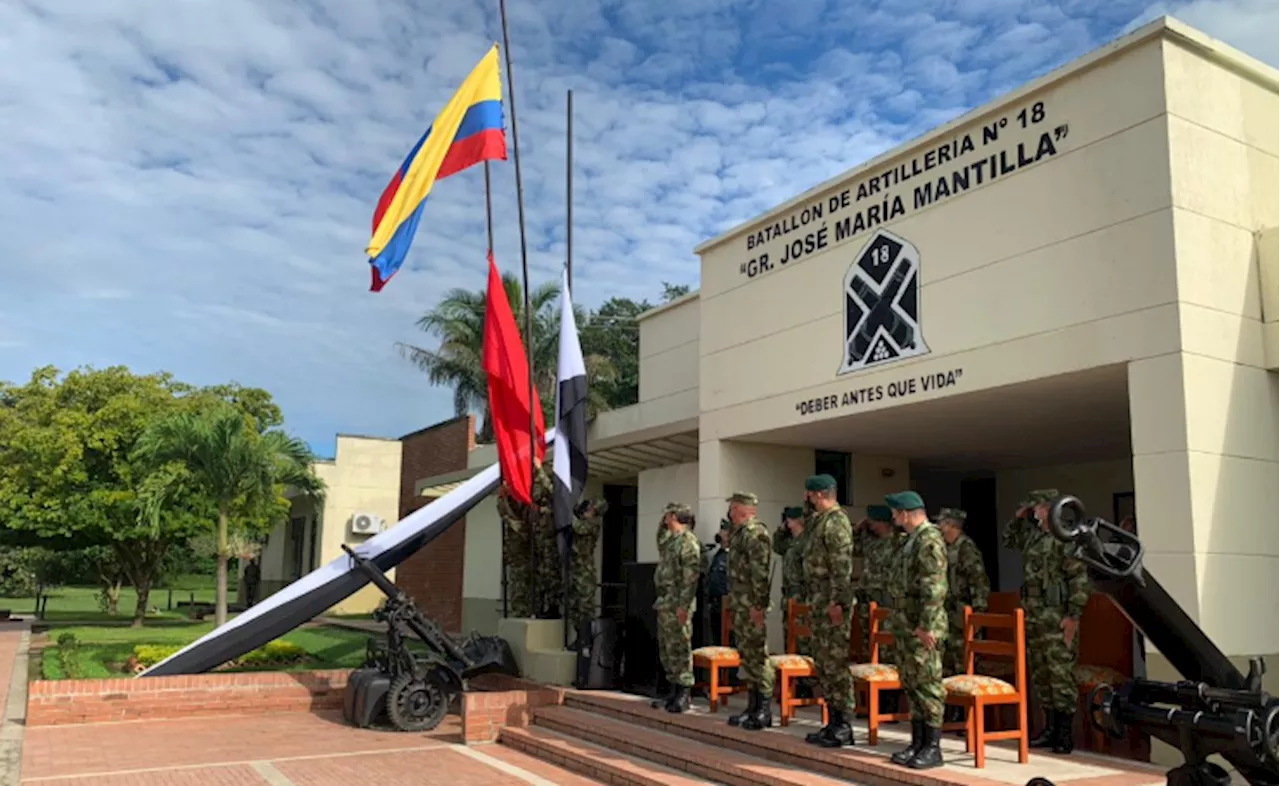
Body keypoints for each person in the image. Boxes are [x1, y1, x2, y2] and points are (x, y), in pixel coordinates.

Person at [1002, 489, 1090, 754]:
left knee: (1060, 674)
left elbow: (1078, 579)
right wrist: (1018, 519)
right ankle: (1050, 729)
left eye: (1037, 507)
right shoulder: (1034, 536)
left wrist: (1073, 615)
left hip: (1057, 614)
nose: (1034, 512)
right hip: (1034, 615)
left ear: (1048, 507)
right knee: (1041, 674)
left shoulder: (1065, 535)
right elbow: (1009, 540)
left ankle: (1064, 734)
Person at [884, 490, 948, 770]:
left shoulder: (929, 539)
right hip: (906, 625)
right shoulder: (911, 540)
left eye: (896, 513)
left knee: (927, 684)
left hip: (922, 626)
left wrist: (927, 625)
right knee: (911, 683)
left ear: (907, 513)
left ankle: (933, 747)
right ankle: (918, 742)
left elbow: (934, 587)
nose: (894, 518)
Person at [798, 474, 857, 748]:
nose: (807, 499)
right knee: (823, 663)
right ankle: (832, 721)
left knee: (836, 663)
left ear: (819, 494)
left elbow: (841, 567)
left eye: (809, 494)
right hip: (819, 601)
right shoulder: (817, 522)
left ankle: (844, 724)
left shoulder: (836, 521)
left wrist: (838, 603)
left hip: (832, 602)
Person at [725, 491, 774, 730]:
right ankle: (753, 705)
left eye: (734, 508)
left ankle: (764, 708)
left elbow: (760, 574)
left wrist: (759, 605)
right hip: (741, 603)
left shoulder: (755, 534)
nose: (731, 512)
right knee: (747, 655)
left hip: (751, 604)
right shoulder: (740, 534)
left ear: (745, 509)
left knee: (757, 654)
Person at [652, 503, 701, 713]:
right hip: (666, 601)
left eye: (668, 514)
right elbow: (659, 537)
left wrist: (683, 605)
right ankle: (672, 690)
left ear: (674, 516)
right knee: (667, 648)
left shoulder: (687, 541)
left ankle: (684, 692)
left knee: (680, 647)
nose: (665, 518)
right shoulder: (670, 541)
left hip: (678, 602)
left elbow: (690, 579)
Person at [938, 508, 991, 676]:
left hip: (963, 613)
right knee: (946, 666)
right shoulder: (944, 547)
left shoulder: (966, 549)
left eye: (942, 523)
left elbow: (979, 582)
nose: (939, 526)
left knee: (964, 663)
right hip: (947, 614)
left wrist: (977, 616)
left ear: (952, 525)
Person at [567, 498, 608, 645]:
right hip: (576, 568)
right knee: (573, 605)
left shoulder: (594, 524)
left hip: (585, 571)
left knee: (585, 607)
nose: (587, 510)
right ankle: (579, 635)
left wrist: (567, 512)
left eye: (590, 509)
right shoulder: (585, 520)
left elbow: (577, 527)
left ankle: (586, 638)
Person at [773, 506, 811, 655]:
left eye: (788, 519)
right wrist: (781, 530)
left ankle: (806, 677)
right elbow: (776, 546)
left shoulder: (806, 542)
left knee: (802, 637)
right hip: (789, 595)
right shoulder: (789, 542)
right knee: (789, 635)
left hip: (802, 594)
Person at [496, 484, 534, 618]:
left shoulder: (526, 504)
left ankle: (526, 611)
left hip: (528, 552)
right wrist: (511, 522)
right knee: (517, 584)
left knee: (528, 584)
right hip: (516, 553)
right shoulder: (507, 503)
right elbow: (502, 508)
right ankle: (519, 612)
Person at [531, 462, 559, 617]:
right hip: (539, 536)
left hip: (550, 538)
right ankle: (539, 607)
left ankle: (553, 607)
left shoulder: (554, 487)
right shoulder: (538, 491)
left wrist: (541, 471)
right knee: (539, 574)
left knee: (550, 574)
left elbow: (556, 494)